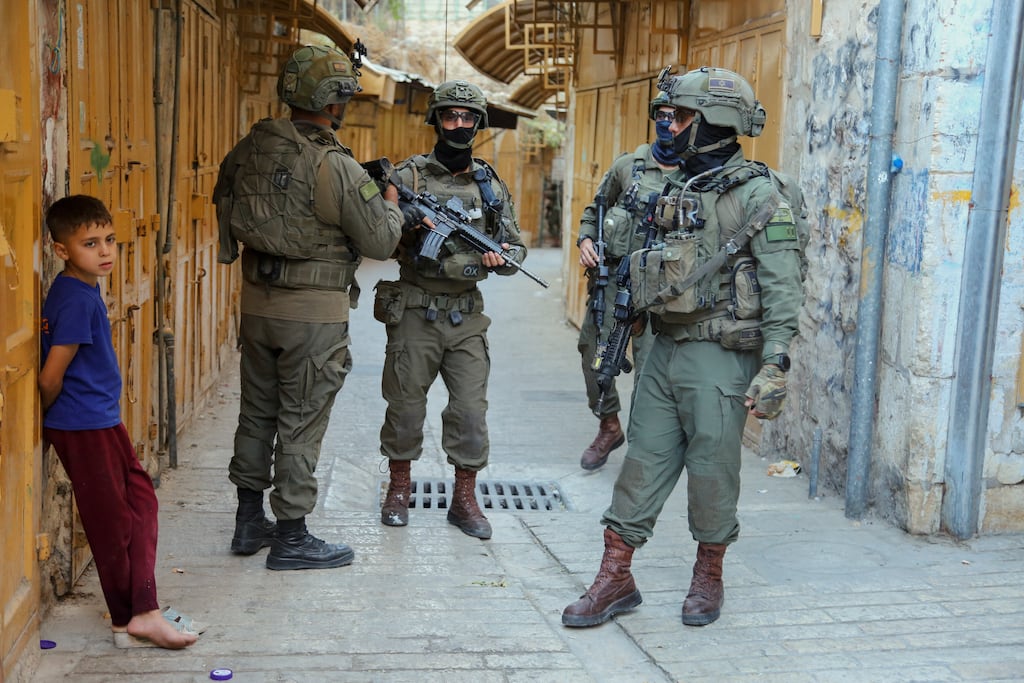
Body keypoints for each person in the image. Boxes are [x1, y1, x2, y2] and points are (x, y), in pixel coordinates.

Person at [562, 66, 806, 628]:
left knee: (713, 472)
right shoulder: (673, 184)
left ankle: (708, 575)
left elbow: (782, 288)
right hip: (664, 350)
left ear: (713, 122)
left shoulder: (760, 196)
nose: (673, 125)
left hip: (719, 358)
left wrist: (774, 364)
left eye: (685, 116)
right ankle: (615, 577)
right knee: (641, 465)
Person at [213, 44, 403, 570]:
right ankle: (293, 536)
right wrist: (387, 198)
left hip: (257, 305)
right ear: (333, 101)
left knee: (257, 413)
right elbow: (381, 242)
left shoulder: (251, 147)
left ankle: (249, 522)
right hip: (313, 315)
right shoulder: (334, 165)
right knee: (300, 423)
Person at [39, 195, 201, 649]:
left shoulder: (82, 288)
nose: (105, 251)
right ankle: (136, 615)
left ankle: (135, 611)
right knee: (114, 520)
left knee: (140, 504)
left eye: (110, 239)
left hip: (97, 419)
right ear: (61, 250)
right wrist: (45, 420)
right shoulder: (74, 299)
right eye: (90, 243)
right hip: (82, 423)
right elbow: (51, 374)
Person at [375, 80, 527, 540]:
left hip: (466, 317)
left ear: (478, 123)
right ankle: (398, 489)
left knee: (469, 412)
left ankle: (464, 500)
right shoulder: (408, 178)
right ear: (436, 119)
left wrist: (499, 260)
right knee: (404, 407)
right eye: (450, 116)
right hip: (416, 312)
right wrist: (403, 217)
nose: (458, 125)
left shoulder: (491, 186)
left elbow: (516, 250)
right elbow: (376, 234)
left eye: (467, 118)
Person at [575, 91, 682, 471]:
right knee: (594, 353)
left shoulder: (696, 175)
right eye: (662, 116)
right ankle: (608, 425)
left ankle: (642, 450)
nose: (667, 124)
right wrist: (586, 239)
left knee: (652, 372)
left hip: (660, 290)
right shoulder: (628, 166)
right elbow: (594, 209)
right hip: (613, 283)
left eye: (676, 116)